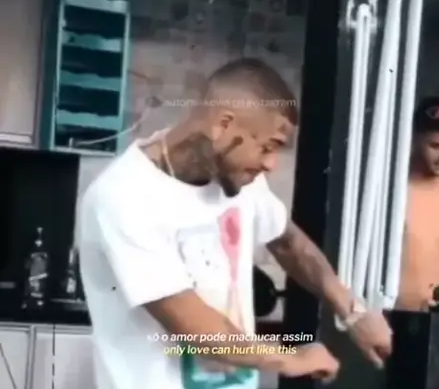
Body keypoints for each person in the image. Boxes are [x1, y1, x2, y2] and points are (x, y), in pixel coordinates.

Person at [78, 58, 392, 389]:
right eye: (268, 147)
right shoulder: (124, 196)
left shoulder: (240, 179)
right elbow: (195, 327)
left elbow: (288, 242)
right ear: (224, 124)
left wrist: (353, 312)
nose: (271, 164)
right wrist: (291, 358)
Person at [397, 97, 439, 311]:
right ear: (414, 139)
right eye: (436, 146)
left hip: (430, 318)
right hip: (376, 314)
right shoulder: (388, 189)